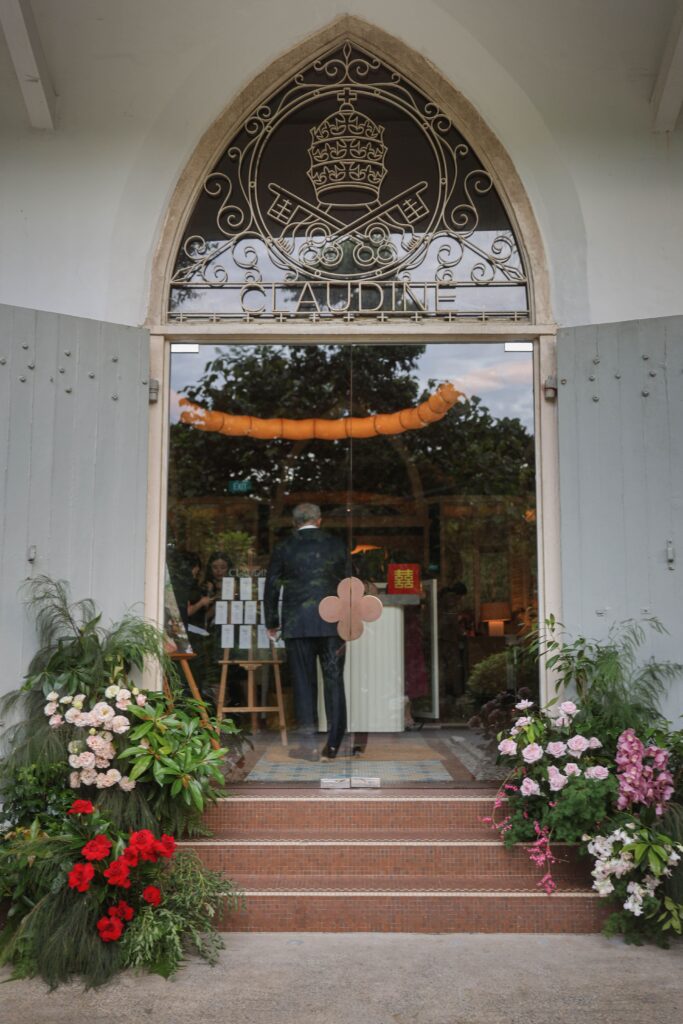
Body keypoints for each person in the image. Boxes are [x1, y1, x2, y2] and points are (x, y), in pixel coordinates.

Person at [264, 502, 348, 761]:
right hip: (333, 623)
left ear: (294, 522)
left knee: (303, 683)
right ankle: (333, 745)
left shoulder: (284, 547)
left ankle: (309, 745)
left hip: (297, 623)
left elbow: (271, 587)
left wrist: (272, 621)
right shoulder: (336, 545)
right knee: (334, 682)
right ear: (320, 520)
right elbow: (350, 583)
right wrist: (349, 620)